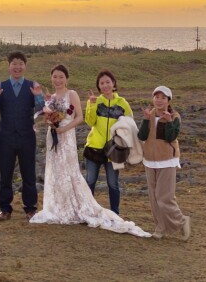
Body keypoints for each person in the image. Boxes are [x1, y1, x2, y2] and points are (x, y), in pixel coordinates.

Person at [30, 65, 150, 237]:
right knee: (63, 173)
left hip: (95, 143)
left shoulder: (78, 95)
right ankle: (60, 206)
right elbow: (88, 119)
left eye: (61, 77)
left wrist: (64, 129)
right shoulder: (54, 97)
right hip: (62, 138)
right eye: (55, 77)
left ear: (67, 78)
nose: (58, 80)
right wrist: (50, 119)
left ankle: (103, 210)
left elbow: (81, 118)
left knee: (100, 180)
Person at [0, 51, 45, 221]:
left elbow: (41, 110)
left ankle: (31, 208)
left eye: (21, 63)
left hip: (27, 136)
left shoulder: (32, 86)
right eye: (14, 63)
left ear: (25, 66)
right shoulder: (1, 86)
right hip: (6, 137)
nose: (17, 67)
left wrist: (38, 95)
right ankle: (5, 209)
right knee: (5, 174)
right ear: (9, 66)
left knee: (29, 174)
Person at [138, 85, 191, 241]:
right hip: (149, 160)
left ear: (168, 101)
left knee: (165, 197)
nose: (159, 100)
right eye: (156, 97)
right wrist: (146, 119)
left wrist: (168, 122)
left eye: (163, 98)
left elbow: (170, 137)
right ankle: (160, 227)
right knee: (154, 198)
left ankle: (182, 221)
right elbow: (141, 136)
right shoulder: (150, 114)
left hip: (167, 160)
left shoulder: (174, 117)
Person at [83, 69, 132, 215]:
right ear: (98, 86)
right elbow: (90, 122)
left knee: (113, 184)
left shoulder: (122, 103)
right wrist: (91, 105)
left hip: (114, 150)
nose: (105, 85)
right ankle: (88, 212)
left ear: (113, 83)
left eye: (107, 82)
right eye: (102, 83)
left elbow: (130, 124)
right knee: (90, 182)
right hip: (94, 148)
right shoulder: (95, 101)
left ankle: (115, 214)